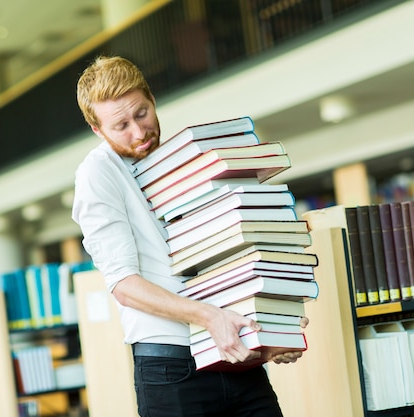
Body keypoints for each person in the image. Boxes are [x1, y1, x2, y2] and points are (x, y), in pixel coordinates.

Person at [72, 55, 307, 417]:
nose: (139, 133)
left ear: (152, 100)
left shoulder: (176, 161)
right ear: (97, 130)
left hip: (234, 356)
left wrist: (270, 333)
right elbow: (124, 284)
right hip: (172, 370)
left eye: (142, 113)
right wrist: (211, 318)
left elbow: (222, 259)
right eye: (120, 125)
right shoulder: (97, 173)